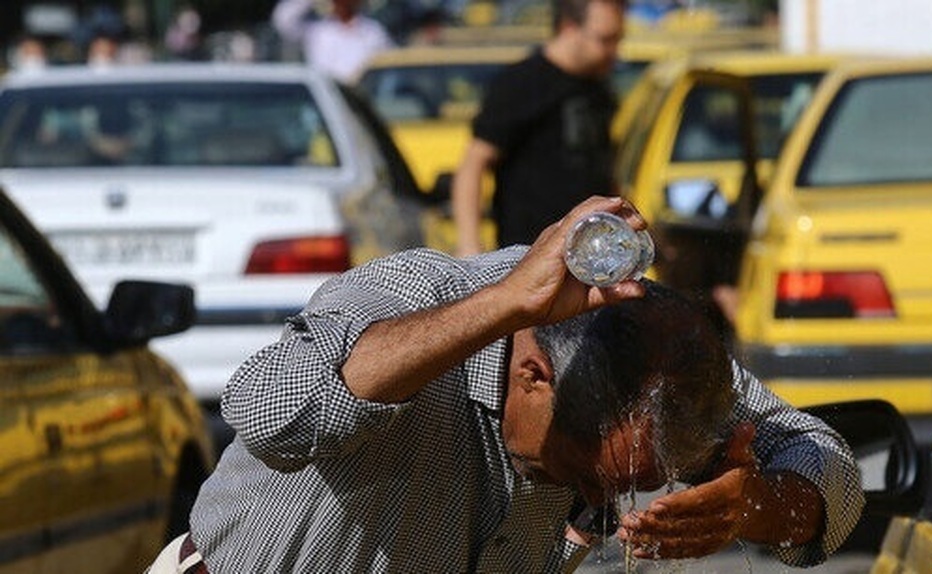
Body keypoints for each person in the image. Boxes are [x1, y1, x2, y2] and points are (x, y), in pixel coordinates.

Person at [144, 195, 864, 573]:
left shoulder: (652, 353)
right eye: (584, 477)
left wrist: (755, 508)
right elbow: (268, 412)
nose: (601, 510)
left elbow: (832, 473)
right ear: (531, 376)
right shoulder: (417, 294)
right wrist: (504, 306)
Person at [451, 0, 625, 256]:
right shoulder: (522, 83)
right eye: (605, 39)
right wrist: (469, 243)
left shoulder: (597, 89)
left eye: (617, 40)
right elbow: (474, 163)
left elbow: (605, 170)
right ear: (569, 28)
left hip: (590, 255)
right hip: (527, 254)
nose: (614, 51)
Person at [272, 0, 394, 83]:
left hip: (361, 97)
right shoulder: (318, 31)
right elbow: (283, 20)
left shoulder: (373, 31)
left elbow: (389, 62)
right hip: (328, 98)